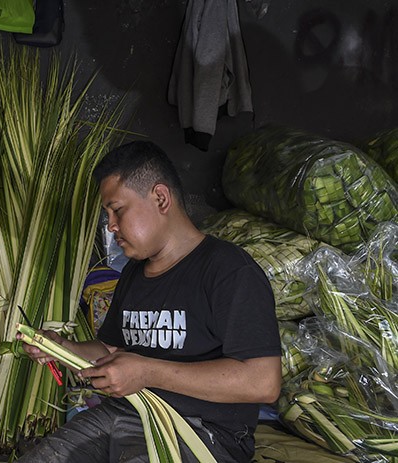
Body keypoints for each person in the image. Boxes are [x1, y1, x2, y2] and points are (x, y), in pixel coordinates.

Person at [17, 140, 281, 463]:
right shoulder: (133, 274)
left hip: (203, 433)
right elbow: (110, 350)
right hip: (127, 415)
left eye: (118, 210)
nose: (111, 226)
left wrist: (147, 373)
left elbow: (264, 381)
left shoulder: (229, 271)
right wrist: (61, 348)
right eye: (108, 215)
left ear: (160, 198)